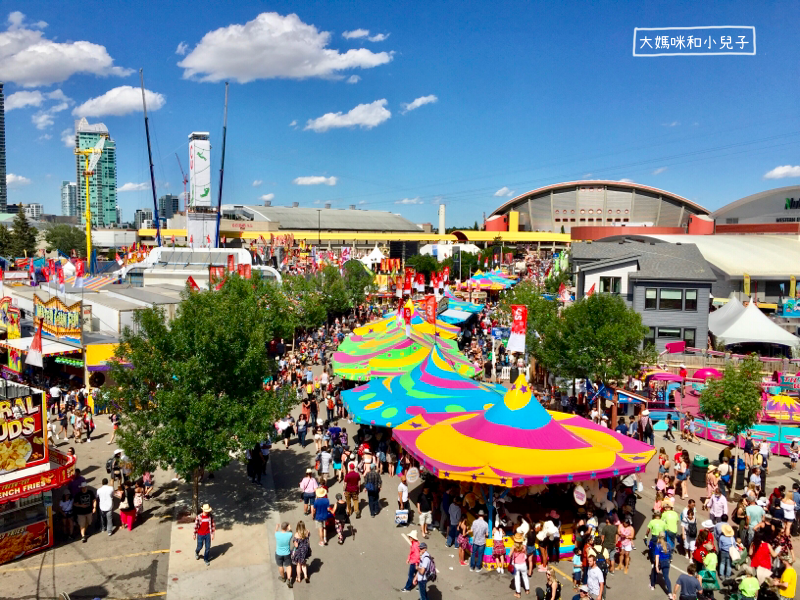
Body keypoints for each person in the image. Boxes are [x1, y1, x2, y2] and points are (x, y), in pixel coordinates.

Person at [649, 532, 673, 597]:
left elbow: (657, 556)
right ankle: (670, 593)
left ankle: (652, 585)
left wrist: (656, 566)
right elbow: (670, 555)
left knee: (654, 573)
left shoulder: (658, 545)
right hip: (667, 562)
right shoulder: (668, 545)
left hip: (660, 562)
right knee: (666, 577)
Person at [508, 532, 530, 597]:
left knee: (517, 579)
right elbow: (526, 554)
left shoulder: (513, 547)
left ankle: (518, 593)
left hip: (516, 565)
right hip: (523, 564)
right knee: (525, 577)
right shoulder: (524, 547)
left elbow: (509, 555)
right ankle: (527, 590)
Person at [275, 522, 294, 587]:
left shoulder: (277, 534)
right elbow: (291, 532)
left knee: (280, 566)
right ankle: (289, 579)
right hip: (287, 553)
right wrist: (290, 528)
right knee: (288, 566)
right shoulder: (289, 534)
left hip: (279, 553)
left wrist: (277, 527)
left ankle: (283, 578)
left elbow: (275, 531)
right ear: (286, 528)